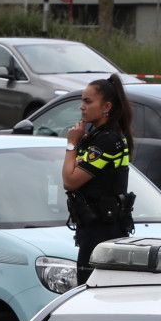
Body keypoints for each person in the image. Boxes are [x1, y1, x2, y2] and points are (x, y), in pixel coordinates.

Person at [61, 75, 135, 284]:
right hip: (94, 228)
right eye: (82, 100)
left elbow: (70, 180)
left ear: (106, 107)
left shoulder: (107, 140)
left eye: (88, 101)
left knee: (89, 289)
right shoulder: (97, 136)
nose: (82, 107)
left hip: (101, 231)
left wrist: (71, 144)